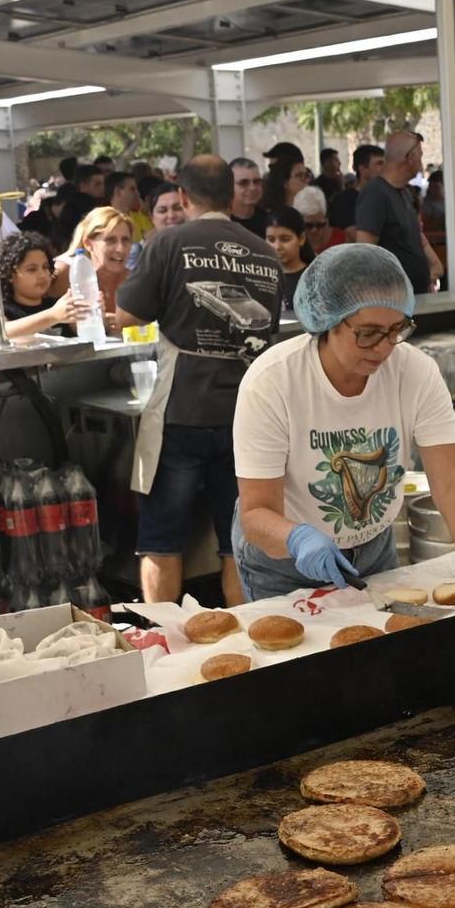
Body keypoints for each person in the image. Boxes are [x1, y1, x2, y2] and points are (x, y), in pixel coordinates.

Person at [232, 244, 455, 609]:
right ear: (328, 320)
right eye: (368, 332)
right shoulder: (273, 382)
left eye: (396, 329)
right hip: (285, 562)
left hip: (374, 550)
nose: (384, 347)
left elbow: (452, 481)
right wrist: (299, 540)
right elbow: (255, 514)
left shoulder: (416, 373)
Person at [115, 155, 283, 608]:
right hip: (246, 417)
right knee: (239, 542)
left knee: (161, 541)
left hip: (180, 413)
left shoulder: (168, 243)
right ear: (232, 196)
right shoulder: (265, 252)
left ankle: (161, 649)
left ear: (184, 196)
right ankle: (248, 644)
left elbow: (128, 315)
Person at [353, 130, 442, 294]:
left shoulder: (404, 192)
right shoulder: (376, 194)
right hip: (394, 300)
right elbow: (365, 252)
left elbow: (414, 233)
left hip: (416, 294)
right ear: (410, 158)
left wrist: (434, 263)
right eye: (420, 156)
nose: (422, 163)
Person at [0, 233, 91, 337]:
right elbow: (3, 332)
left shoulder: (60, 306)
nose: (42, 275)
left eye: (45, 267)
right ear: (10, 275)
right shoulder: (4, 310)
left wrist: (93, 312)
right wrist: (53, 316)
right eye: (32, 269)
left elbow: (88, 335)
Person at [54, 206, 135, 322]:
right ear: (88, 244)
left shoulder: (134, 280)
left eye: (125, 240)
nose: (120, 249)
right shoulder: (66, 272)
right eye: (110, 240)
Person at [265, 205, 311, 314]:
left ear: (301, 239)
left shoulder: (313, 277)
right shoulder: (261, 275)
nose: (277, 246)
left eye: (285, 239)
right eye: (271, 240)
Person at [330, 144, 383, 234]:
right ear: (362, 169)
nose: (384, 168)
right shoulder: (344, 200)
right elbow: (355, 235)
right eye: (379, 163)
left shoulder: (386, 197)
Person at [104, 172, 150, 241]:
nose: (137, 193)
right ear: (118, 192)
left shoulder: (142, 217)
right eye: (132, 189)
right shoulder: (104, 221)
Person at [229, 157, 267, 237]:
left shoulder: (269, 221)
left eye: (256, 182)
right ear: (229, 186)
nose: (252, 188)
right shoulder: (222, 221)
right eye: (244, 183)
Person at [292, 185, 333, 259]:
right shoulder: (290, 244)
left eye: (320, 225)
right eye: (308, 225)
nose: (314, 230)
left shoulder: (342, 240)